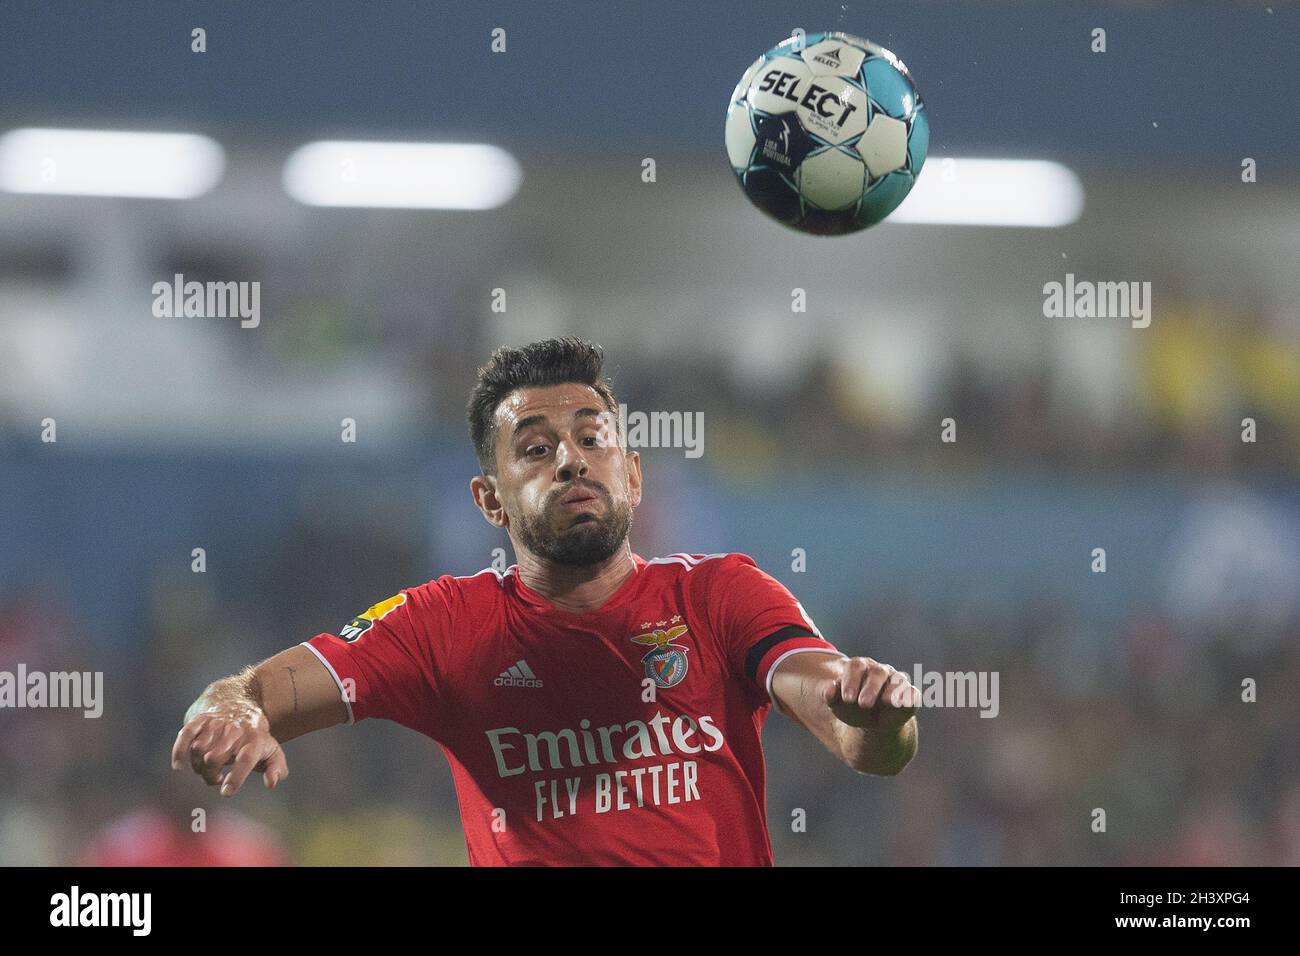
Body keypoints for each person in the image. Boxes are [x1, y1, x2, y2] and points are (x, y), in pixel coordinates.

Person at [172, 336, 919, 865]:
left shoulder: (719, 596)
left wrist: (876, 717)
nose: (569, 459)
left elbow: (859, 735)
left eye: (591, 438)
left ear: (631, 475)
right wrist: (231, 707)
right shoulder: (443, 626)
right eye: (534, 448)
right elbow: (254, 691)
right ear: (490, 500)